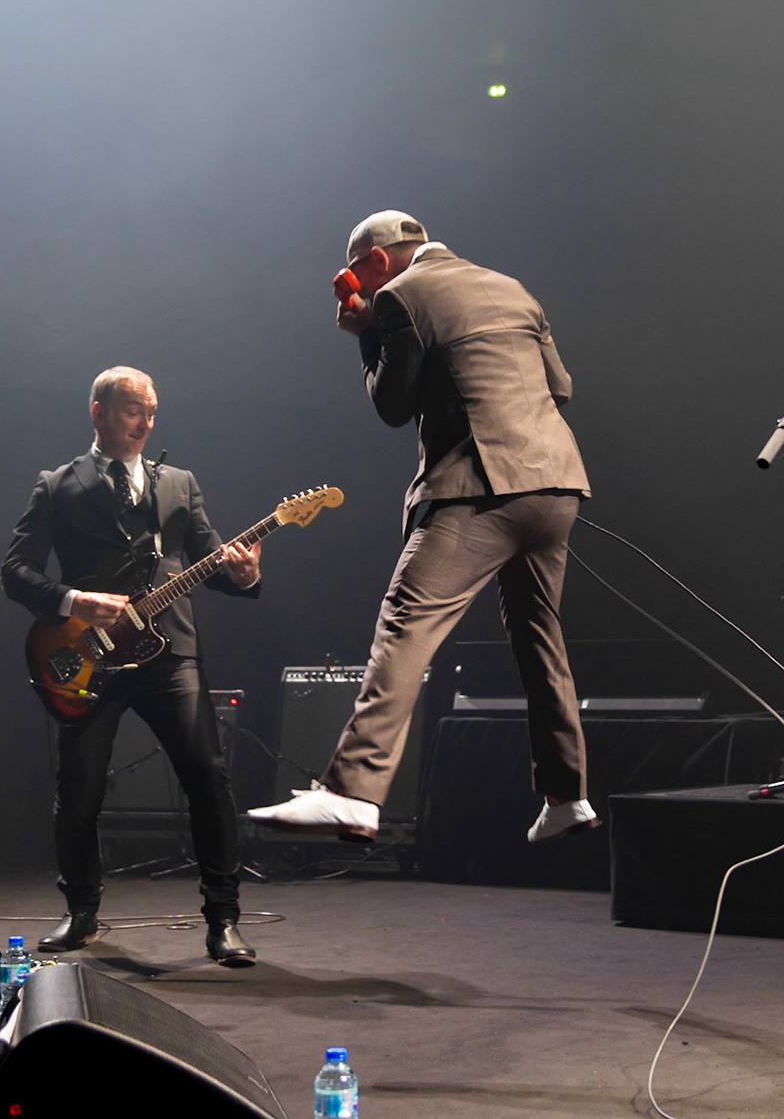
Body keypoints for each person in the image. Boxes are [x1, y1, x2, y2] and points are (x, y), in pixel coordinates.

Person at [247, 210, 596, 844]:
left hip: (479, 487)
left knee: (405, 626)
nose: (353, 286)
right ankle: (566, 793)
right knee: (540, 639)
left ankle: (353, 791)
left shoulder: (399, 296)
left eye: (356, 274)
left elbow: (392, 405)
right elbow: (561, 388)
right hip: (557, 485)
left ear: (377, 262)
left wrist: (364, 333)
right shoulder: (512, 286)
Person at [0, 366, 262, 967]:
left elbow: (211, 558)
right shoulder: (58, 484)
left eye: (151, 412)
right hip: (89, 659)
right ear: (98, 413)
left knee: (208, 777)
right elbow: (14, 571)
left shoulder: (180, 482)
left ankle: (224, 922)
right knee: (79, 789)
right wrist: (73, 601)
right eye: (131, 411)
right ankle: (82, 913)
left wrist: (244, 573)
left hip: (170, 651)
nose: (145, 423)